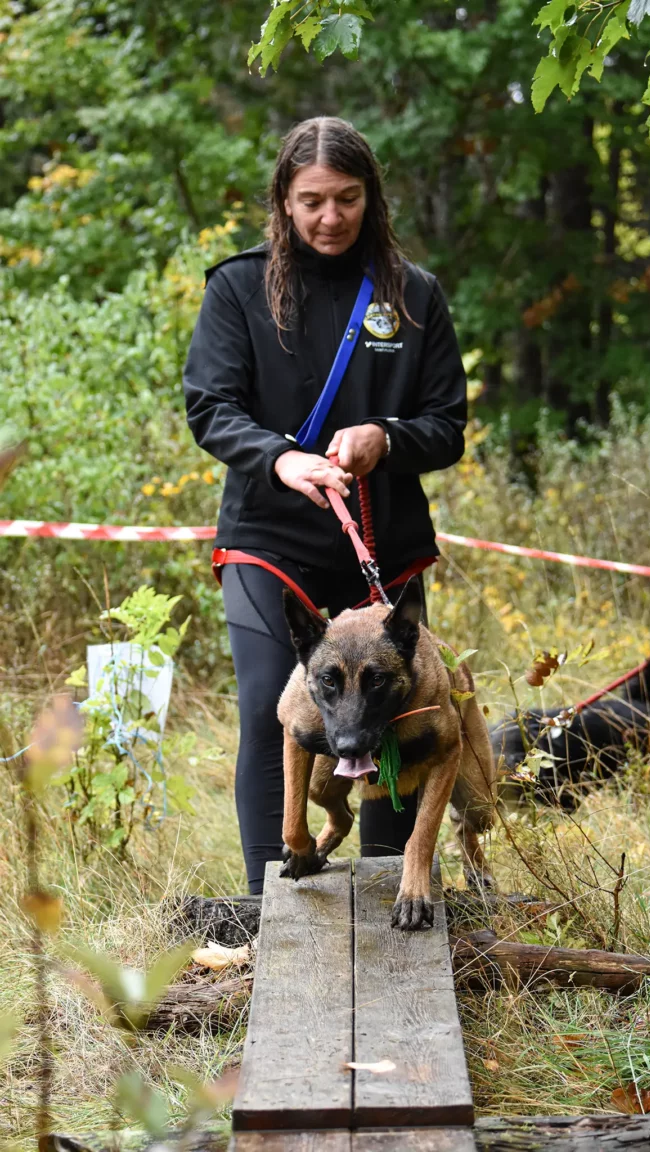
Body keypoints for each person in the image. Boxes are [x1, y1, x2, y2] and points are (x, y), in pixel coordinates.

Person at [183, 116, 467, 896]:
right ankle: (275, 896)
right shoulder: (237, 287)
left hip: (382, 548)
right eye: (311, 201)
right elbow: (210, 407)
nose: (330, 217)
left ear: (371, 197)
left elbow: (447, 427)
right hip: (268, 542)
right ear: (282, 201)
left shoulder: (413, 296)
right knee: (277, 717)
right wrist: (282, 458)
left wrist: (387, 437)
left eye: (346, 198)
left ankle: (388, 891)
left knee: (397, 717)